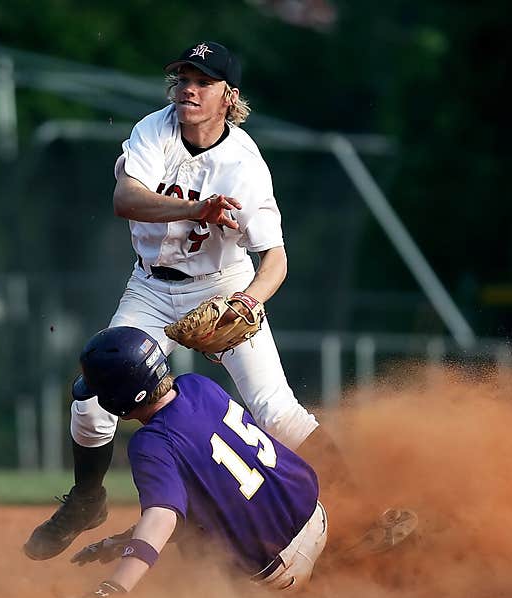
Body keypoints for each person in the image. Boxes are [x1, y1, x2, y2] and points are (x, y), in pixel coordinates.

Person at [24, 39, 347, 561]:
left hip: (222, 285)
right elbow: (124, 199)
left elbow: (276, 261)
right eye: (182, 79)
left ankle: (361, 503)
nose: (188, 89)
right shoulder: (155, 129)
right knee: (90, 400)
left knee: (275, 412)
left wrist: (247, 303)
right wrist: (197, 210)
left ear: (229, 96)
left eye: (203, 82)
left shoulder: (245, 164)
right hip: (149, 289)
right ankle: (86, 499)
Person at [65, 327, 415, 597]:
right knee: (208, 502)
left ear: (117, 401)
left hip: (280, 568)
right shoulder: (199, 385)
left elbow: (162, 518)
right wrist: (118, 543)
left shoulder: (149, 443)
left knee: (195, 544)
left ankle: (328, 571)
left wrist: (114, 587)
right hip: (317, 512)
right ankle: (341, 545)